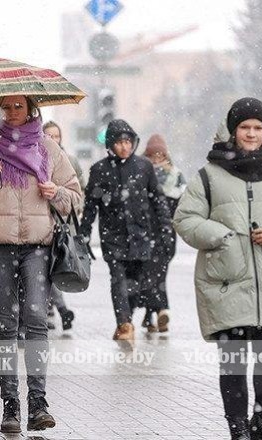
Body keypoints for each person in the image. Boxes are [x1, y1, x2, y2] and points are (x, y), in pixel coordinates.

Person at [173, 97, 262, 439]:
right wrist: (221, 236)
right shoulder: (209, 175)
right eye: (245, 127)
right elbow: (185, 219)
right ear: (232, 131)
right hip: (226, 282)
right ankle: (237, 427)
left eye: (258, 127)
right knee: (233, 364)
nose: (251, 134)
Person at [0, 95, 82, 434]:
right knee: (6, 325)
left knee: (36, 321)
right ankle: (10, 405)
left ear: (31, 108)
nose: (11, 112)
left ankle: (38, 403)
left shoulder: (48, 148)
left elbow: (75, 198)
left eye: (18, 106)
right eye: (4, 107)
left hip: (38, 246)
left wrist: (57, 193)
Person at [79, 119, 171, 342]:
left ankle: (126, 319)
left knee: (136, 283)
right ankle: (124, 323)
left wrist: (166, 226)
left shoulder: (144, 167)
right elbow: (91, 205)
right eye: (119, 142)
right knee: (118, 279)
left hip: (140, 234)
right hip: (113, 236)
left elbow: (157, 198)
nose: (124, 147)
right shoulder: (100, 170)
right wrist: (84, 233)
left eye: (128, 142)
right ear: (111, 144)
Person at [137, 134, 185, 333]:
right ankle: (161, 311)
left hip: (166, 232)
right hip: (145, 233)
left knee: (157, 274)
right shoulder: (140, 174)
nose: (156, 159)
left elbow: (183, 206)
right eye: (152, 155)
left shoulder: (177, 176)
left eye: (160, 155)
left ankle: (151, 315)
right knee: (152, 274)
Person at [41, 121, 81, 331]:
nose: (53, 140)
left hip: (63, 224)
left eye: (56, 136)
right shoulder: (36, 159)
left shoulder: (70, 160)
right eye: (48, 135)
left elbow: (79, 190)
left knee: (56, 267)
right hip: (42, 222)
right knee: (45, 268)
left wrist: (73, 205)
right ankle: (56, 309)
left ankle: (55, 308)